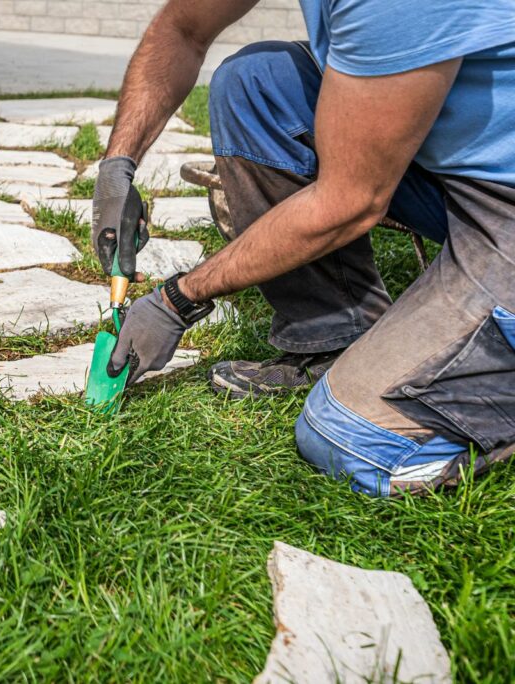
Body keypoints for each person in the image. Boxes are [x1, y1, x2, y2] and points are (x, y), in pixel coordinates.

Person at [95, 0, 515, 496]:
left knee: (351, 440)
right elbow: (183, 28)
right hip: (453, 163)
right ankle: (336, 338)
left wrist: (178, 299)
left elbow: (349, 202)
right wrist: (116, 167)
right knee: (256, 82)